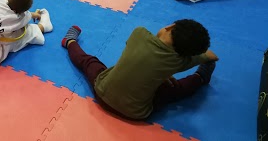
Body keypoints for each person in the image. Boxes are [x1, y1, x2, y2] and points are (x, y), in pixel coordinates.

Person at [61, 20, 218, 120]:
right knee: (175, 89)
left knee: (89, 62)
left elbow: (146, 57)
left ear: (170, 26)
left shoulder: (139, 33)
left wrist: (164, 73)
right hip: (135, 113)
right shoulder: (180, 61)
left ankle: (70, 42)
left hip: (101, 92)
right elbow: (212, 56)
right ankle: (201, 77)